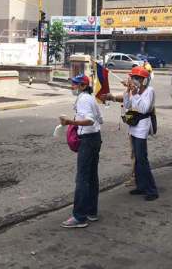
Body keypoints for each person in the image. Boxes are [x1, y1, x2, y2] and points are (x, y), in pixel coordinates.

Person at [59, 74, 103, 228]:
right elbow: (100, 119)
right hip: (95, 138)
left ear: (83, 86)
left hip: (88, 141)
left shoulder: (84, 99)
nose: (73, 86)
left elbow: (90, 119)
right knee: (91, 177)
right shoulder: (90, 98)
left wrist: (71, 122)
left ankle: (79, 217)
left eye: (75, 84)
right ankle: (91, 212)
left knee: (82, 179)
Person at [122, 66, 158, 201]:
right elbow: (127, 105)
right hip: (134, 126)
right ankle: (141, 185)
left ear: (143, 80)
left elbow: (143, 109)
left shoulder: (149, 91)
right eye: (133, 78)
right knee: (137, 158)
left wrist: (136, 93)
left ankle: (151, 190)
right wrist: (128, 91)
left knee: (142, 159)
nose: (134, 80)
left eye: (136, 78)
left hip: (142, 127)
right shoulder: (134, 91)